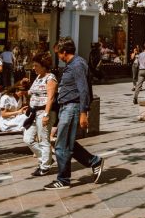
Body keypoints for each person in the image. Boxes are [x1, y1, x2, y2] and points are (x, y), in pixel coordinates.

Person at [44, 38, 104, 190]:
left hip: (73, 107)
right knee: (66, 142)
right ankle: (94, 161)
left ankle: (63, 179)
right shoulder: (73, 64)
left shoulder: (77, 65)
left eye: (58, 53)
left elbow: (83, 89)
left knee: (61, 145)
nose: (58, 56)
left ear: (64, 52)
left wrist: (84, 113)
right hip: (67, 107)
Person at [25, 52, 56, 177]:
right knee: (27, 139)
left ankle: (45, 166)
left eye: (36, 65)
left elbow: (51, 98)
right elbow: (32, 92)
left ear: (44, 66)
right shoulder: (38, 77)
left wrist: (46, 115)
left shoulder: (50, 78)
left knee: (44, 140)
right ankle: (47, 159)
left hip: (43, 112)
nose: (33, 68)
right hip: (33, 112)